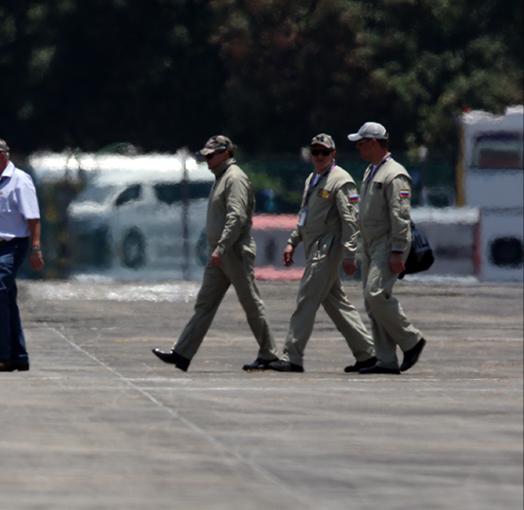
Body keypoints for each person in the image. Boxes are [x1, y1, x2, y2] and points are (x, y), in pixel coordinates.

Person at [153, 135, 279, 372]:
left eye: (211, 155)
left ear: (225, 154)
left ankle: (269, 354)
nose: (207, 159)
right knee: (205, 305)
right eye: (205, 155)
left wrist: (222, 248)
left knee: (251, 303)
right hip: (220, 253)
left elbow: (237, 216)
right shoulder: (221, 178)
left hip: (232, 251)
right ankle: (182, 353)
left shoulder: (234, 178)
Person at [268, 134, 376, 373]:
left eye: (324, 152)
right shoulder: (313, 178)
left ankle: (291, 356)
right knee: (337, 303)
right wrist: (292, 242)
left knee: (306, 298)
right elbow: (305, 215)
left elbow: (350, 220)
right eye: (315, 151)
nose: (319, 156)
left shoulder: (341, 181)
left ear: (333, 154)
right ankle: (367, 354)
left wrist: (350, 253)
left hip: (327, 250)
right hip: (313, 248)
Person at [348, 122, 427, 374]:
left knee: (375, 294)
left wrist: (397, 250)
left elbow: (400, 215)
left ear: (373, 143)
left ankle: (412, 340)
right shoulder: (371, 171)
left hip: (386, 243)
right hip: (371, 245)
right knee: (372, 304)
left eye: (361, 143)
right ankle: (385, 360)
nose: (358, 147)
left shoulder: (395, 174)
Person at [0, 137, 44, 372]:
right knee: (7, 301)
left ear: (3, 155)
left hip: (12, 247)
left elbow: (33, 217)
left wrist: (35, 248)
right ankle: (19, 356)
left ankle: (3, 355)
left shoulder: (19, 181)